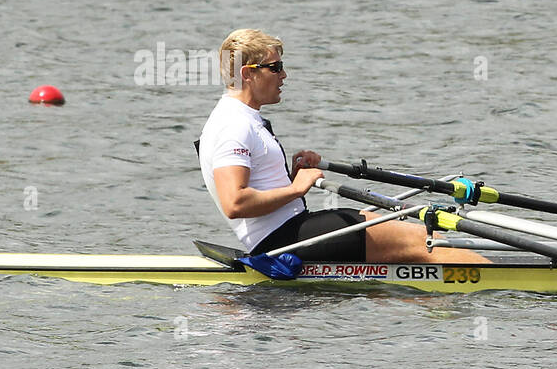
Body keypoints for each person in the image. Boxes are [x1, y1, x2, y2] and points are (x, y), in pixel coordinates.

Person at [198, 28, 487, 264]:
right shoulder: (233, 125)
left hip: (291, 228)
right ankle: (508, 287)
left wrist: (293, 174)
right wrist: (297, 188)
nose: (284, 75)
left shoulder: (242, 118)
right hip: (282, 238)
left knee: (410, 249)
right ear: (247, 74)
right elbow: (235, 203)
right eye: (276, 67)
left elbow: (257, 186)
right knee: (432, 243)